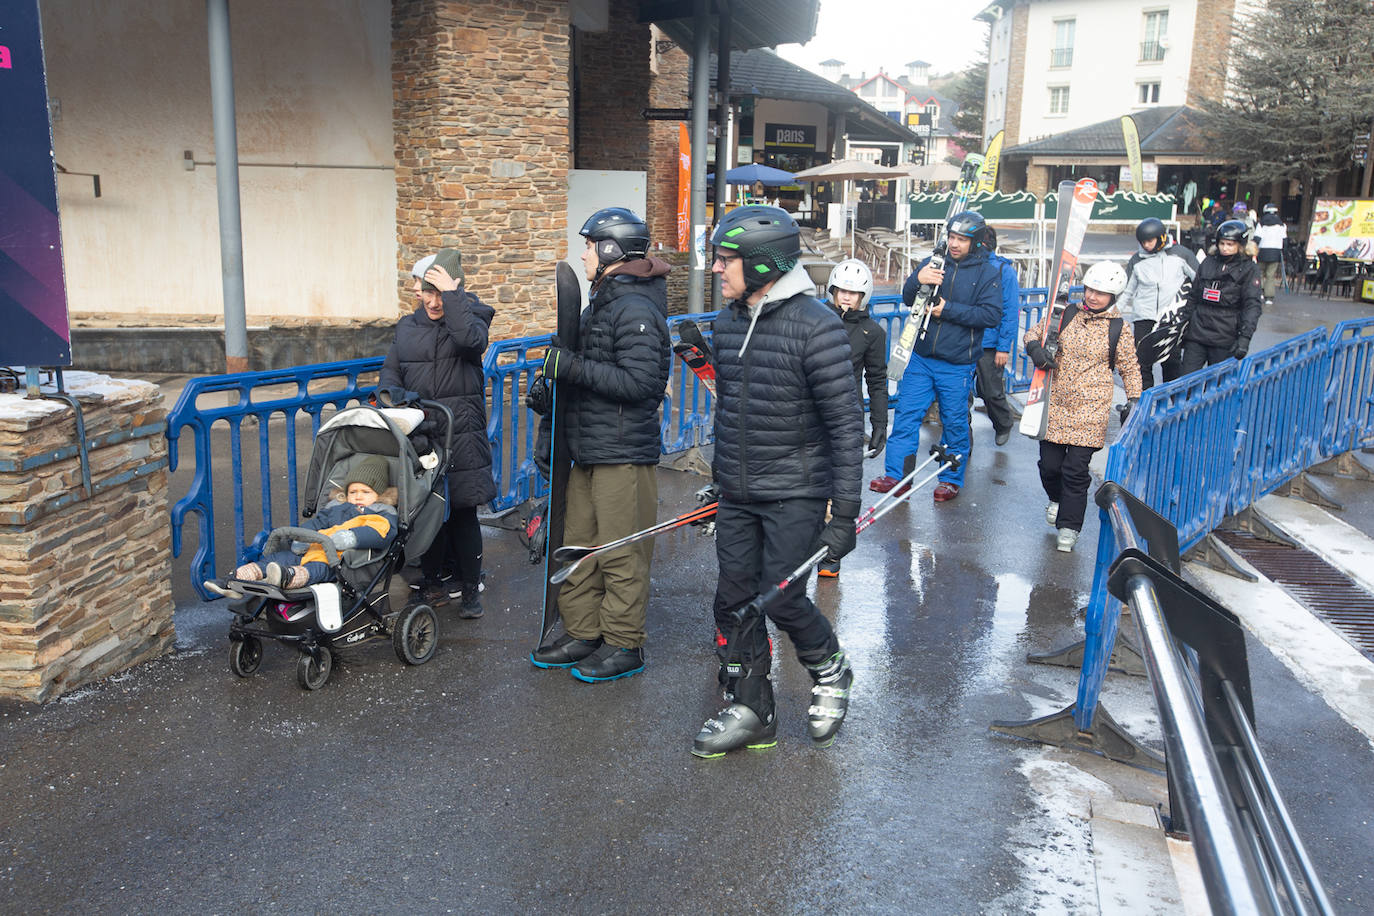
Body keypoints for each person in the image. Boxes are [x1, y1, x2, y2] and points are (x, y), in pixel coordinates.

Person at [692, 205, 863, 758]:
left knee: (783, 597)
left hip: (797, 489)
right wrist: (722, 478)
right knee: (734, 601)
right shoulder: (729, 322)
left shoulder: (817, 326)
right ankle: (752, 707)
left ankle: (830, 669)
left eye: (727, 260)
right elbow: (737, 409)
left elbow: (844, 424)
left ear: (763, 266)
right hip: (740, 491)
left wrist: (845, 514)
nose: (717, 269)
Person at [529, 207, 671, 683]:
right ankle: (583, 631)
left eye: (590, 245)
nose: (584, 253)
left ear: (611, 250)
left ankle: (623, 643)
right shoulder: (605, 302)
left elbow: (642, 383)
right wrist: (550, 386)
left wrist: (570, 368)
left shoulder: (635, 308)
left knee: (619, 552)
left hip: (622, 453)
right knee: (578, 547)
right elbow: (584, 370)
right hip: (588, 448)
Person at [380, 250, 496, 619]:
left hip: (460, 431)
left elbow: (469, 342)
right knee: (426, 509)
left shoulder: (471, 317)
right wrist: (391, 400)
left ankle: (470, 587)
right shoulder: (407, 326)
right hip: (421, 433)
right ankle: (432, 584)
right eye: (426, 293)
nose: (432, 301)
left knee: (463, 511)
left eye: (439, 293)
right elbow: (391, 371)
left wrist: (453, 296)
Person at [871, 211, 1002, 502]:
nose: (954, 244)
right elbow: (907, 297)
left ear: (976, 242)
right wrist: (918, 278)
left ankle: (950, 478)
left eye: (962, 240)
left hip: (957, 363)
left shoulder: (988, 273)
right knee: (906, 416)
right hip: (921, 356)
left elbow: (991, 315)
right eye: (952, 237)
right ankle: (897, 476)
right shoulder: (935, 262)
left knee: (954, 422)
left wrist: (948, 309)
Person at [1023, 262, 1142, 553]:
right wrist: (1036, 351)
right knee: (1049, 466)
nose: (1092, 296)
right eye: (1089, 289)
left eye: (1100, 293)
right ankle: (1055, 498)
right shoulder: (1066, 313)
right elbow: (1032, 335)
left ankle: (1069, 528)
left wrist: (1135, 400)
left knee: (1076, 471)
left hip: (1091, 408)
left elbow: (1129, 367)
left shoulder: (1119, 328)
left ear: (1113, 296)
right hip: (1054, 403)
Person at [206, 457, 397, 596]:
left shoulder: (380, 514)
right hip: (311, 549)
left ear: (379, 495)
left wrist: (350, 537)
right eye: (352, 491)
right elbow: (317, 523)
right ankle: (234, 580)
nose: (357, 496)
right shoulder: (335, 508)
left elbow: (379, 533)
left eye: (365, 491)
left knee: (315, 569)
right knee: (277, 558)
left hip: (338, 560)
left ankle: (286, 577)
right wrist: (302, 537)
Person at [818, 257, 887, 579]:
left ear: (864, 296)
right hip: (810, 412)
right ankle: (800, 547)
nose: (846, 297)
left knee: (841, 490)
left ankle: (831, 556)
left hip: (846, 416)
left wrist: (880, 423)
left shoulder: (872, 332)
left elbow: (876, 379)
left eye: (853, 292)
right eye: (841, 290)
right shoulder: (815, 318)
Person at [1119, 217, 1198, 389]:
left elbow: (1199, 280)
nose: (1146, 245)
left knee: (1171, 361)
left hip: (1171, 316)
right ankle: (1143, 400)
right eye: (1143, 242)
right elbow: (1127, 291)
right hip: (1144, 316)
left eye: (1150, 241)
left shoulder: (1181, 254)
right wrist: (1113, 314)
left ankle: (1172, 399)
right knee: (1141, 361)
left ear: (1161, 237)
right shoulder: (1137, 260)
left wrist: (1192, 310)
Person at [1180, 219, 1263, 373]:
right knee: (1186, 380)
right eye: (1222, 243)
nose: (1225, 248)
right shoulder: (1208, 262)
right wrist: (1183, 324)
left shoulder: (1249, 269)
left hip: (1225, 334)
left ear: (1240, 245)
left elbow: (1252, 305)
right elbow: (1193, 296)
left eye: (1230, 244)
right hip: (1198, 331)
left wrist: (1245, 337)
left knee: (1219, 384)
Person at [974, 225, 1020, 446]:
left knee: (990, 390)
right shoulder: (965, 265)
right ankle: (962, 443)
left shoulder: (1004, 271)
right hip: (963, 340)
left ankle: (1003, 423)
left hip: (990, 344)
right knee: (957, 396)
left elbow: (1011, 311)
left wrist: (1004, 347)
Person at [1254, 203, 1287, 305]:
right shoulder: (1282, 225)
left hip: (1262, 251)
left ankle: (1260, 292)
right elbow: (1285, 240)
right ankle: (1269, 297)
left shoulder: (1261, 224)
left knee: (1259, 273)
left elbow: (1257, 238)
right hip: (1275, 252)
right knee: (1270, 275)